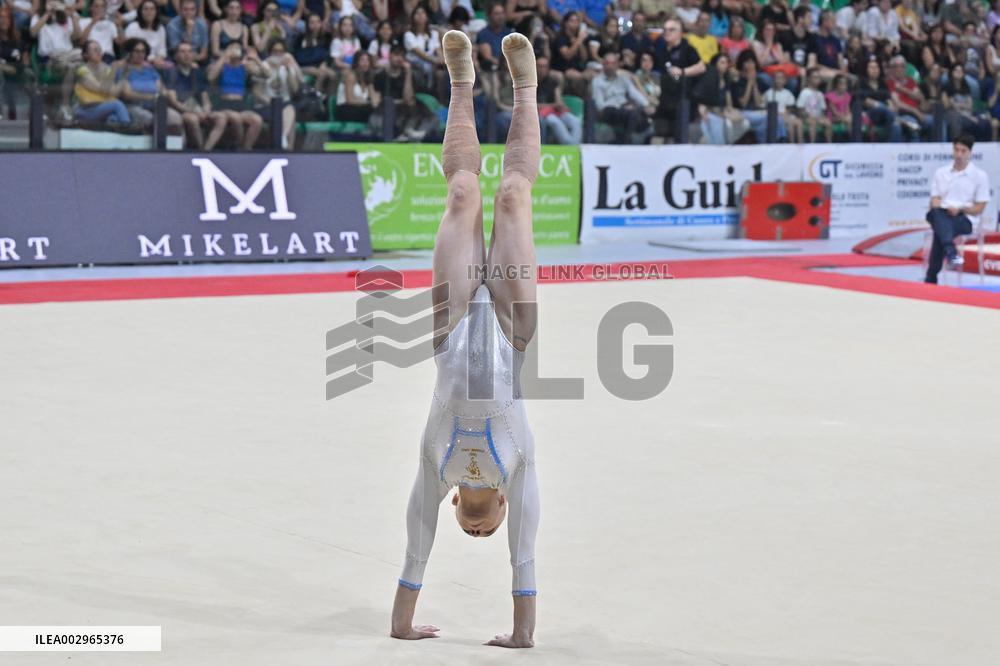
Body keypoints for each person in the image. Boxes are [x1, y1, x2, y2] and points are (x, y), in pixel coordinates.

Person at [390, 28, 540, 650]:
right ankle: (526, 87)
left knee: (462, 193)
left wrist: (401, 627)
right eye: (490, 533)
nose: (479, 532)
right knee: (509, 198)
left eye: (468, 533)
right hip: (511, 333)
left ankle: (461, 84)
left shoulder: (436, 470)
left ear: (453, 505)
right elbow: (525, 562)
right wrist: (522, 636)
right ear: (503, 509)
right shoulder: (517, 473)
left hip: (450, 334)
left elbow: (413, 552)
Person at [924, 134, 990, 284]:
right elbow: (934, 199)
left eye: (963, 151)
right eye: (956, 150)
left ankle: (931, 276)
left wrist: (961, 210)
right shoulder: (941, 172)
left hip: (964, 218)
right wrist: (942, 207)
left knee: (940, 229)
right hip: (941, 212)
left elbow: (979, 208)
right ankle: (950, 251)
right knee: (937, 215)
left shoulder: (979, 176)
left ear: (970, 152)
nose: (959, 154)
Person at [165, 40, 228, 148]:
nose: (187, 55)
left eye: (189, 51)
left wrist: (206, 110)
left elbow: (205, 97)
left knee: (221, 117)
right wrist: (195, 112)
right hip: (183, 111)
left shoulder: (198, 73)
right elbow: (174, 101)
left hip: (199, 110)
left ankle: (207, 149)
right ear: (176, 56)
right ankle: (200, 149)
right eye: (183, 52)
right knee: (192, 119)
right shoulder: (171, 73)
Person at [591, 51, 653, 143]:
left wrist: (646, 105)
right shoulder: (597, 81)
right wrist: (620, 107)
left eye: (613, 64)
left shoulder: (623, 79)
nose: (610, 67)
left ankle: (627, 138)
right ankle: (629, 139)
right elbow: (600, 105)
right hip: (609, 110)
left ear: (617, 65)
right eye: (607, 63)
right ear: (603, 65)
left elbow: (634, 93)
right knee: (636, 116)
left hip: (625, 110)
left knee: (638, 111)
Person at [73, 39, 131, 124]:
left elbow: (114, 92)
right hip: (85, 109)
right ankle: (128, 132)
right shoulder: (82, 70)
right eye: (95, 50)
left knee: (113, 118)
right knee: (117, 105)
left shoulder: (107, 68)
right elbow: (102, 89)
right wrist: (114, 69)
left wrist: (123, 76)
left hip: (103, 106)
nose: (99, 52)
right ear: (86, 55)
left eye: (100, 50)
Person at [536, 54, 582, 144]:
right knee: (555, 122)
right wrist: (553, 105)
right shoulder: (530, 83)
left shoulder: (553, 81)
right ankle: (570, 147)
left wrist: (561, 105)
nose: (542, 69)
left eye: (545, 67)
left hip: (555, 111)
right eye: (540, 66)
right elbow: (532, 104)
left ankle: (574, 146)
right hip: (540, 113)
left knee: (575, 121)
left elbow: (558, 100)